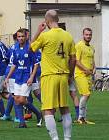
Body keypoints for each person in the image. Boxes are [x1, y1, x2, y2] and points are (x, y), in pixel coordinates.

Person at [30, 10, 76, 140]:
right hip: (63, 76)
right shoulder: (68, 36)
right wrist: (70, 75)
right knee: (64, 108)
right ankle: (67, 138)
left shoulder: (45, 36)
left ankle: (55, 138)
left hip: (49, 76)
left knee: (48, 109)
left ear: (46, 21)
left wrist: (38, 31)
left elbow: (30, 48)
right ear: (58, 19)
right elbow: (73, 59)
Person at [5, 29, 42, 128]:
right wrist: (7, 77)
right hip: (18, 77)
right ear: (16, 37)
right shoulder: (15, 48)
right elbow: (15, 64)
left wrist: (31, 77)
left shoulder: (30, 48)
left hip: (27, 77)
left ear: (26, 37)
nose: (20, 38)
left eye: (22, 36)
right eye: (19, 36)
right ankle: (22, 123)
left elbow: (36, 64)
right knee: (16, 99)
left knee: (21, 100)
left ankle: (38, 113)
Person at [74, 28, 95, 124]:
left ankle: (84, 118)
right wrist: (86, 69)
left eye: (90, 35)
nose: (88, 36)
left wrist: (94, 68)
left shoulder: (91, 48)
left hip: (88, 75)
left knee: (85, 96)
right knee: (86, 94)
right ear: (83, 35)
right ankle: (80, 117)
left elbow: (92, 60)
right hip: (80, 74)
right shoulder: (79, 46)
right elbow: (76, 61)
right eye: (86, 34)